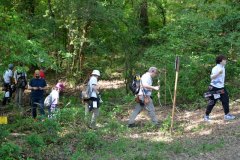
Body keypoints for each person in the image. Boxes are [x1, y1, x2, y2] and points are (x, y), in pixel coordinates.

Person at [204, 55, 235, 121]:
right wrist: (218, 73)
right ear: (220, 61)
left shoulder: (223, 67)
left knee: (225, 100)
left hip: (221, 88)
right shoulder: (216, 68)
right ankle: (206, 116)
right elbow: (211, 77)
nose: (225, 60)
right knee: (212, 102)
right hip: (214, 88)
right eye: (224, 60)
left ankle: (226, 115)